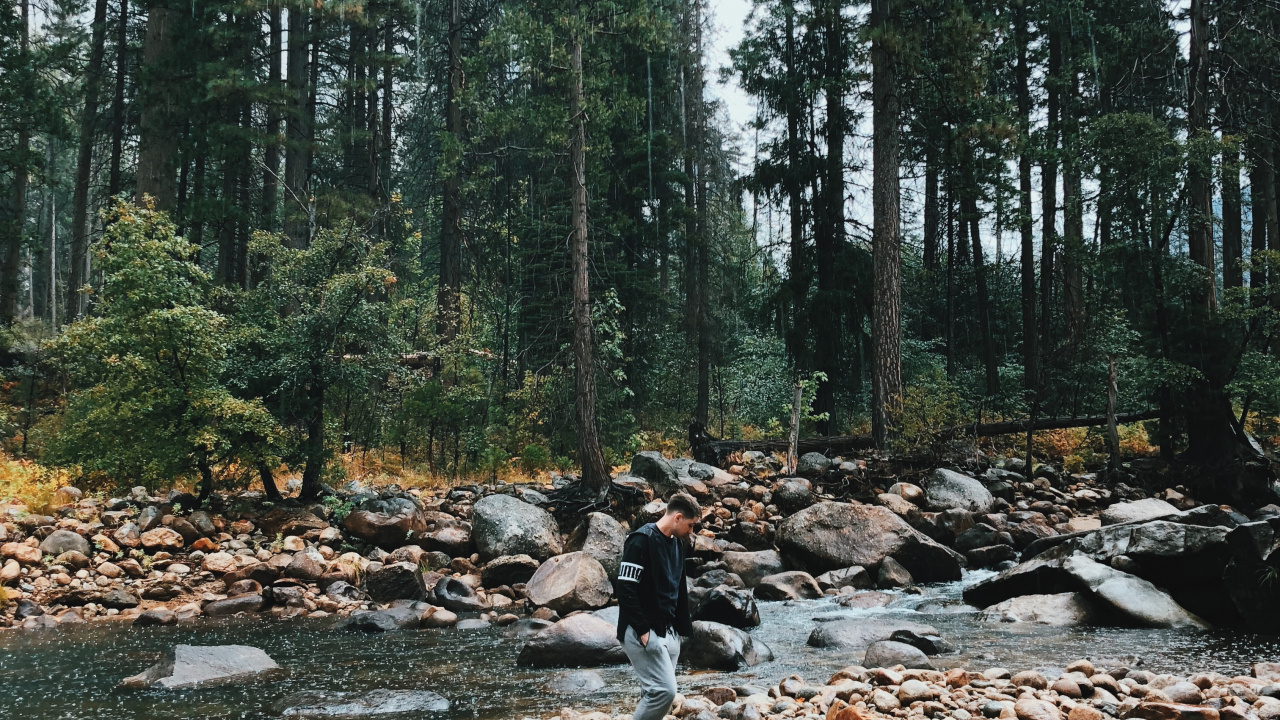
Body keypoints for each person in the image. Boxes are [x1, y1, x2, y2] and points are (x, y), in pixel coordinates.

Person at [615, 492, 701, 720]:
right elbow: (624, 588)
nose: (691, 532)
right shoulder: (641, 541)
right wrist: (642, 629)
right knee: (665, 691)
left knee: (653, 693)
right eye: (690, 526)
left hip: (669, 631)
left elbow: (677, 589)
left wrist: (680, 631)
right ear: (678, 517)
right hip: (642, 631)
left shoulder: (677, 545)